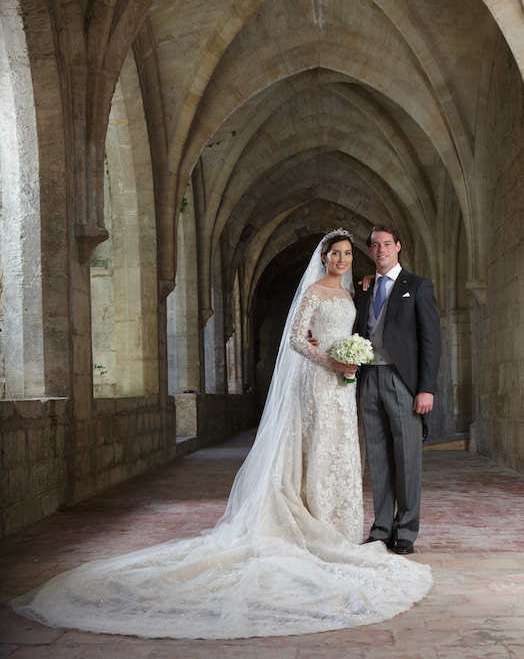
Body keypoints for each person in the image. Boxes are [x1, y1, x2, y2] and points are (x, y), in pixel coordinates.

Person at [10, 229, 432, 641]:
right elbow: (296, 339)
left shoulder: (362, 289)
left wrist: (370, 368)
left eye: (349, 253)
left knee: (351, 453)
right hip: (327, 381)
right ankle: (341, 525)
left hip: (355, 386)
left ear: (386, 251)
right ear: (323, 258)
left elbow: (404, 331)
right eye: (336, 253)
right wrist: (334, 362)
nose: (344, 259)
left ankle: (374, 527)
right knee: (331, 451)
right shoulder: (320, 291)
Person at [355, 224, 441, 555]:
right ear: (370, 250)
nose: (381, 250)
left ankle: (406, 529)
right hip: (369, 380)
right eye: (375, 245)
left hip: (402, 381)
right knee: (377, 458)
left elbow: (431, 341)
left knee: (407, 457)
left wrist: (426, 389)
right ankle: (381, 527)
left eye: (386, 244)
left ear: (398, 246)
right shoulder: (364, 288)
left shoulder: (418, 286)